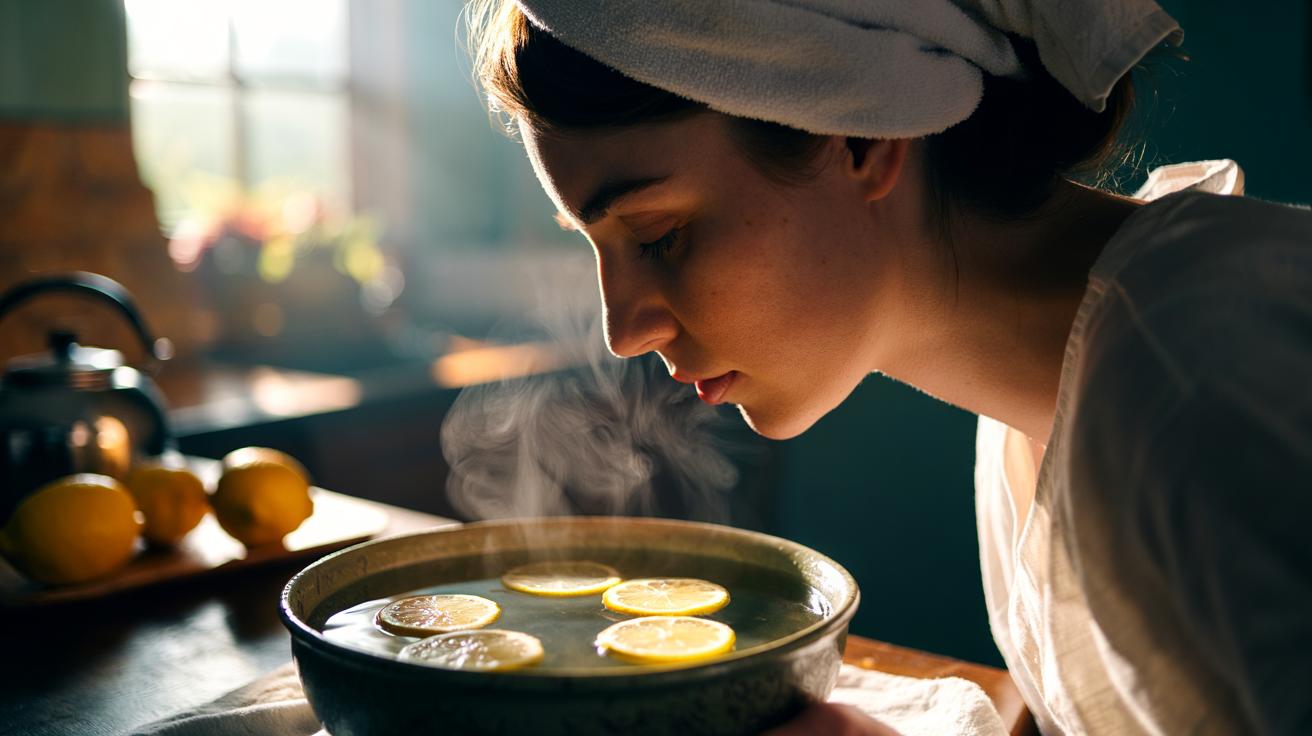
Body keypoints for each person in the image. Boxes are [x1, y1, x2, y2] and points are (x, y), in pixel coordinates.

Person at [466, 1, 1312, 733]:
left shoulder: (1193, 384)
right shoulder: (1040, 411)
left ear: (862, 137)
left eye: (658, 236)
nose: (622, 330)